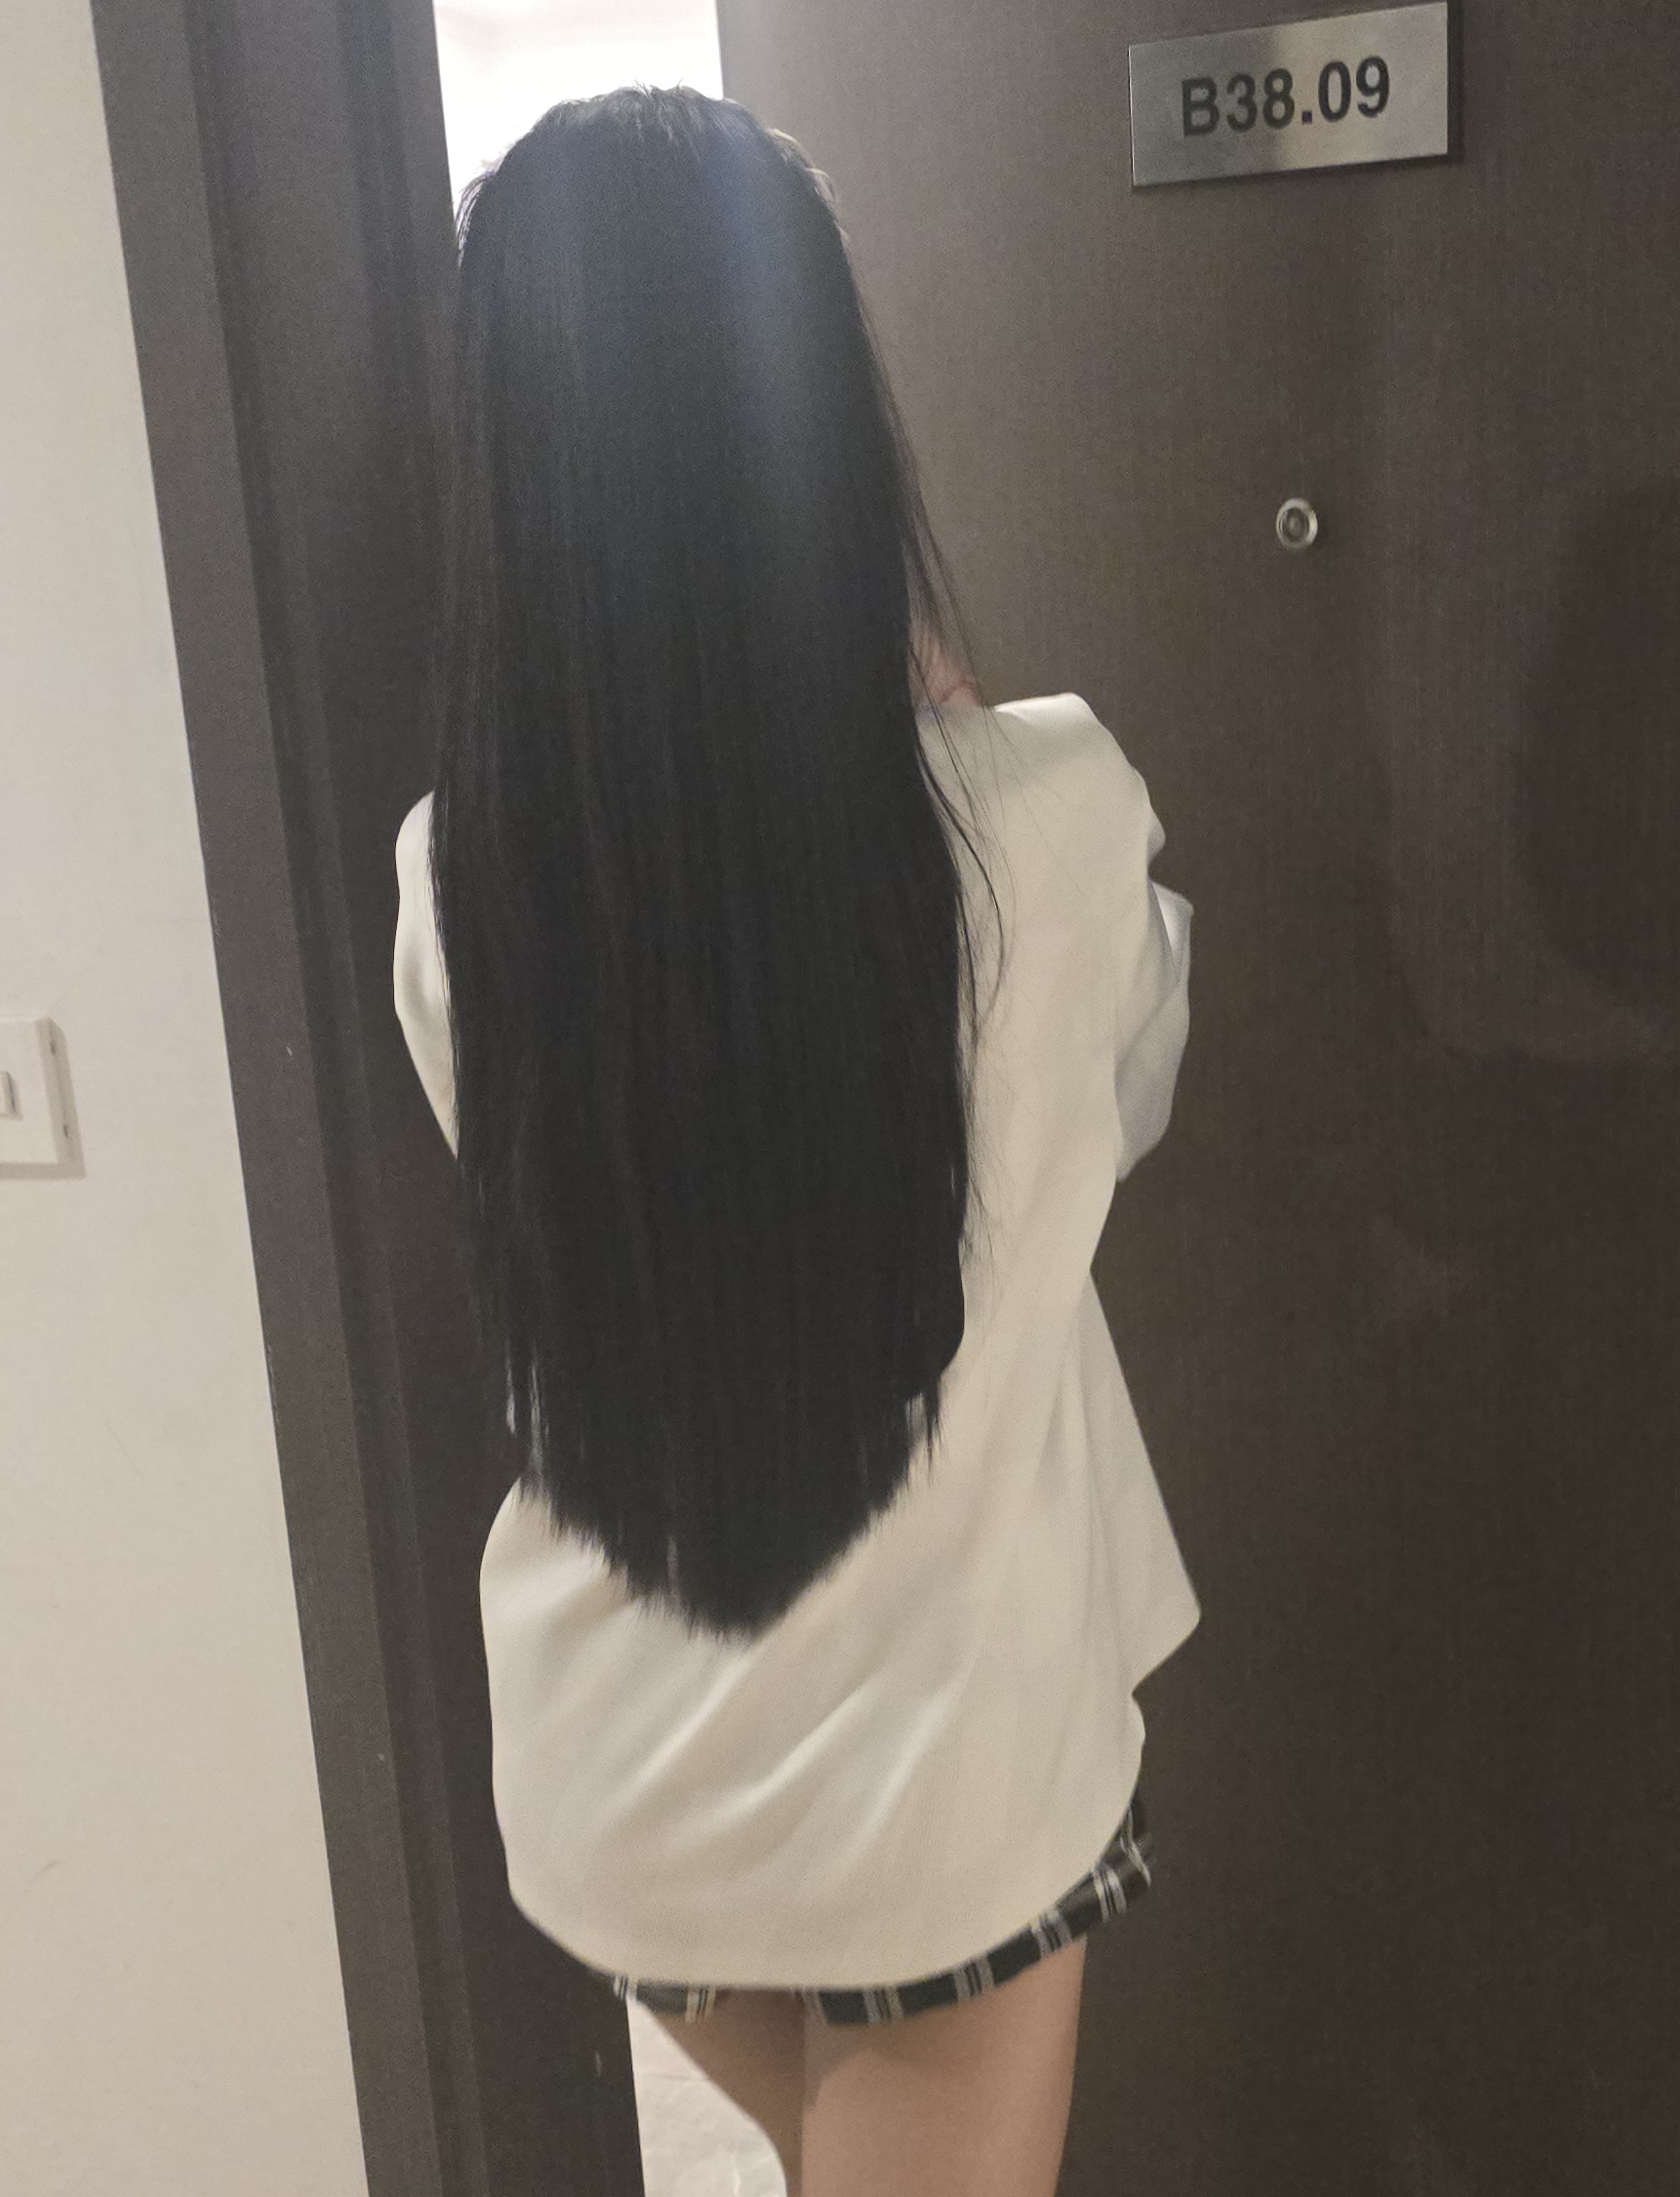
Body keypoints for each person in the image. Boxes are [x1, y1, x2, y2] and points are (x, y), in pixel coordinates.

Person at [387, 89, 1198, 2197]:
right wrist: (946, 731)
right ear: (819, 417)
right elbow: (1122, 1101)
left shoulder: (457, 883)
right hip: (933, 1791)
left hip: (616, 1778)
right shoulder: (1042, 817)